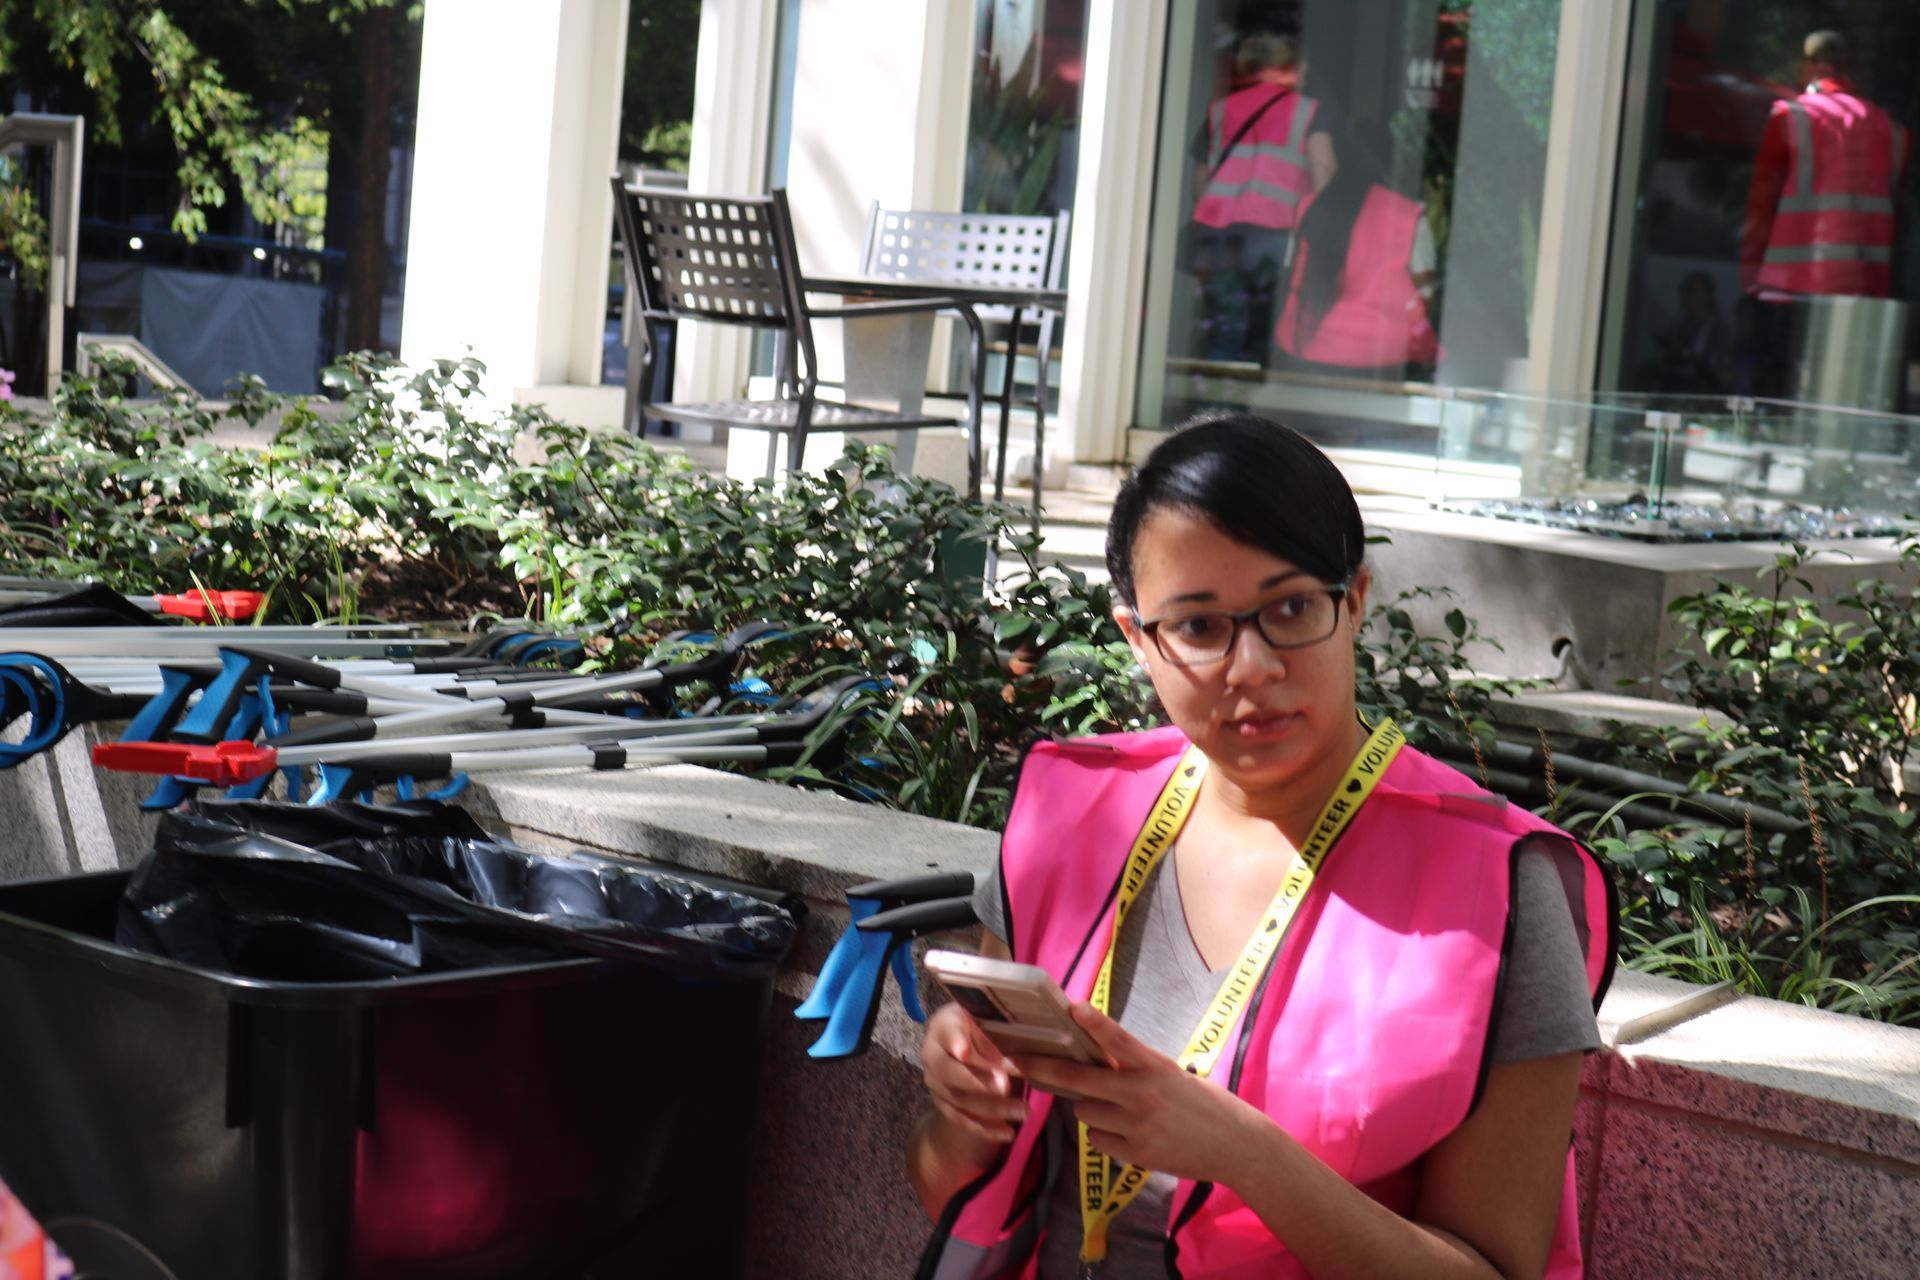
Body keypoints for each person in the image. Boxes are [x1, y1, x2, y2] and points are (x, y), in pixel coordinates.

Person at [908, 414, 1616, 1279]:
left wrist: (1247, 1155)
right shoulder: (1069, 815)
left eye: (1289, 609)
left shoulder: (1499, 888)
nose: (1251, 667)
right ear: (1138, 638)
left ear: (1354, 601)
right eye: (1199, 628)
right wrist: (963, 1112)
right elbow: (948, 1193)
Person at [1185, 33, 1339, 364]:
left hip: (1219, 235)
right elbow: (1323, 168)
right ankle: (1253, 406)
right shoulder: (1309, 111)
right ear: (1291, 67)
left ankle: (1220, 401)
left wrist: (1212, 212)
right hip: (1276, 233)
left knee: (1223, 325)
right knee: (1267, 330)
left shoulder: (1221, 109)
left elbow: (1200, 176)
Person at [1740, 29, 1910, 300]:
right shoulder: (1893, 131)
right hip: (1867, 291)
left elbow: (1762, 204)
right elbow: (1898, 215)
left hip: (1791, 288)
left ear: (1816, 66)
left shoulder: (1791, 115)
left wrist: (1749, 274)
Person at [1273, 162, 1441, 377]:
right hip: (1380, 359)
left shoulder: (1308, 207)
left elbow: (1289, 275)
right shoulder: (1410, 215)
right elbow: (1426, 296)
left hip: (1300, 351)